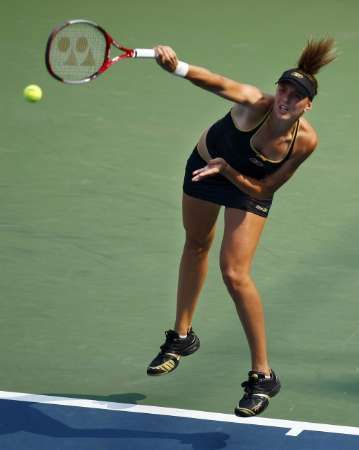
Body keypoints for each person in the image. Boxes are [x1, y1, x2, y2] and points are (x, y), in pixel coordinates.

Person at [146, 38, 336, 417]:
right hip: (204, 167)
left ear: (307, 105)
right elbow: (217, 82)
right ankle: (181, 337)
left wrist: (229, 170)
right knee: (196, 243)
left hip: (244, 182)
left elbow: (265, 188)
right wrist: (178, 68)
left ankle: (263, 376)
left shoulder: (305, 142)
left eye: (296, 95)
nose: (285, 97)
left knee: (235, 273)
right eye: (283, 88)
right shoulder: (256, 104)